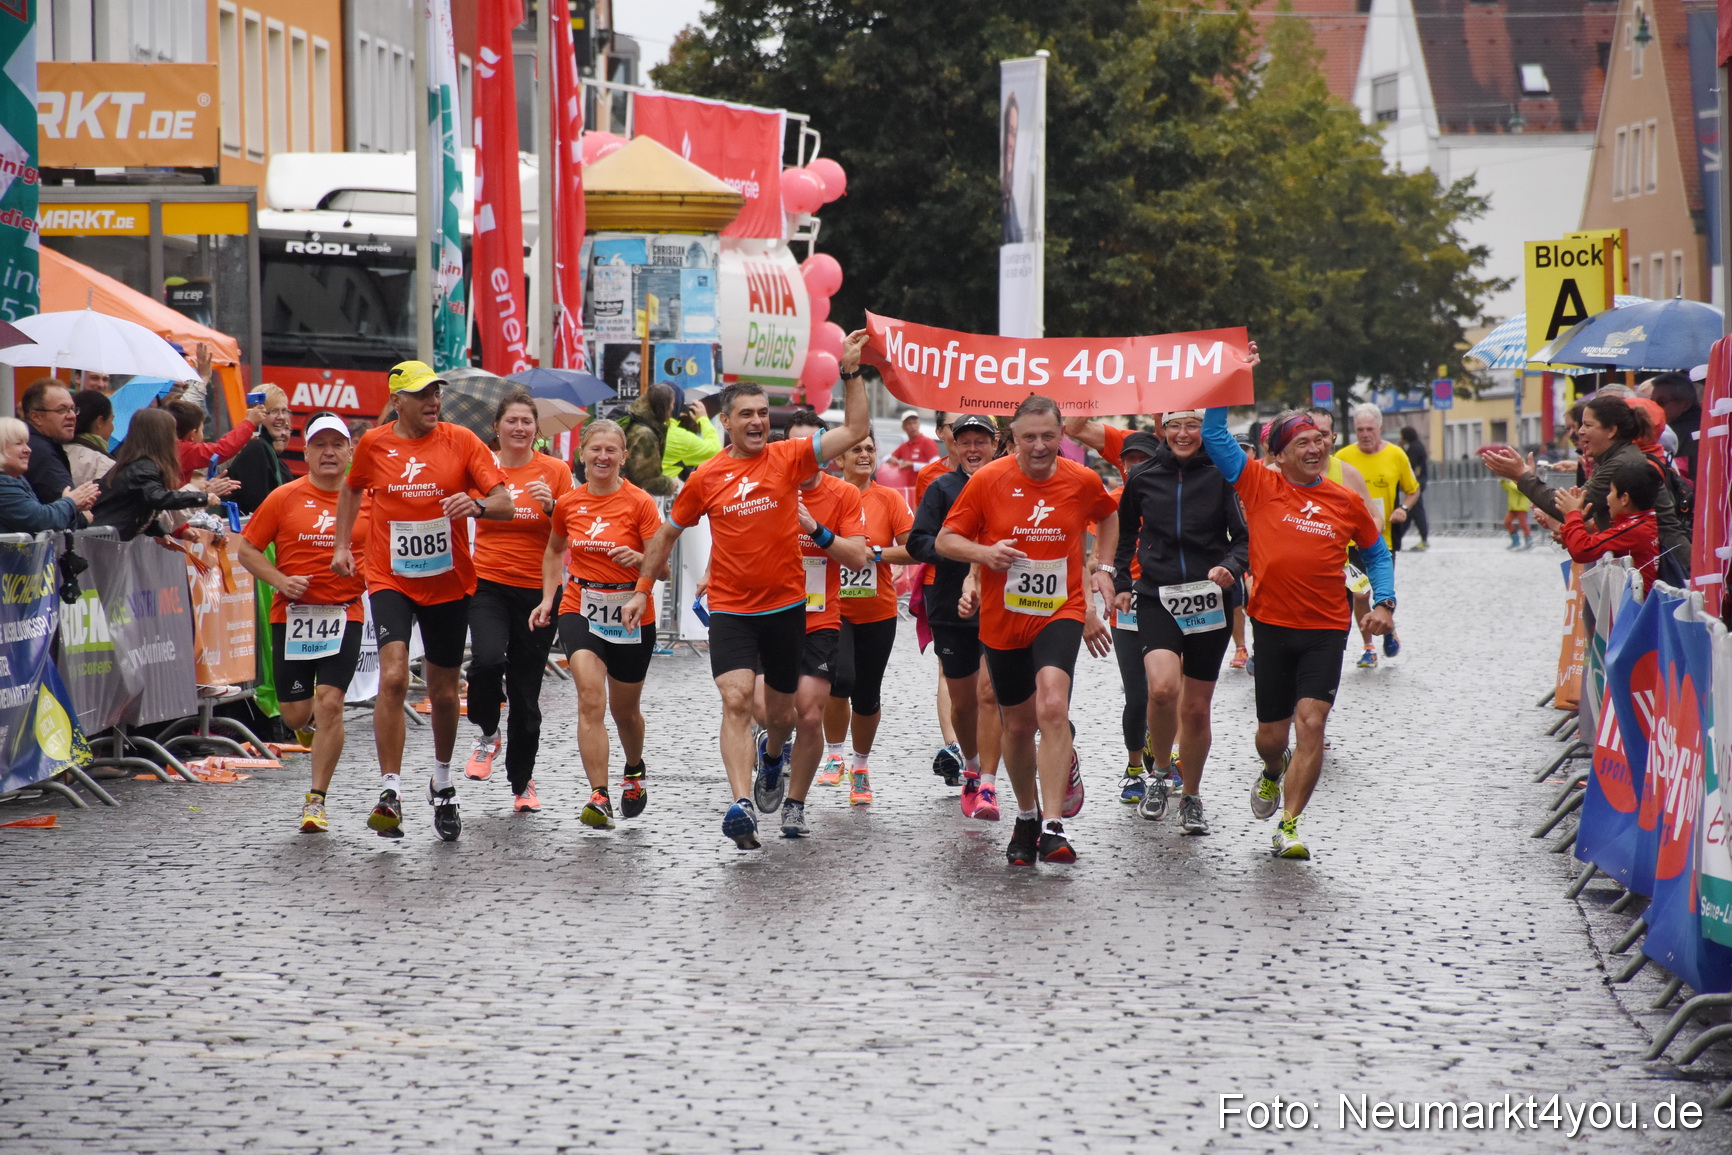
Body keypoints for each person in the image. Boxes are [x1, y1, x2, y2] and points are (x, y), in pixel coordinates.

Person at [629, 331, 872, 850]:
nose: (758, 421)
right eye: (747, 414)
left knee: (783, 716)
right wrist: (641, 588)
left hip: (787, 610)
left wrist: (851, 372)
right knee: (736, 700)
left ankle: (771, 760)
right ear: (726, 422)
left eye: (763, 413)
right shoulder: (707, 476)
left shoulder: (789, 458)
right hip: (733, 610)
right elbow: (667, 532)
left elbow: (855, 428)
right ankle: (741, 803)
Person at [1200, 407, 1395, 860]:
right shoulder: (1258, 485)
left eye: (1319, 441)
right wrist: (1233, 376)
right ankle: (1273, 769)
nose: (1315, 448)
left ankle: (1289, 825)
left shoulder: (1345, 501)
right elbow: (1213, 433)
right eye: (1302, 444)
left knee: (1312, 723)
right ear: (1278, 455)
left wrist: (1384, 602)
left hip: (1325, 629)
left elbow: (1378, 554)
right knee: (1272, 736)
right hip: (1271, 626)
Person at [331, 360, 512, 843]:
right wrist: (343, 545)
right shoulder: (374, 443)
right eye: (422, 394)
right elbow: (351, 490)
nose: (433, 400)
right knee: (392, 676)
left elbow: (505, 502)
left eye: (436, 391)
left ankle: (444, 780)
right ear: (398, 401)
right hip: (390, 575)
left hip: (448, 583)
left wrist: (474, 504)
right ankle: (390, 788)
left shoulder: (462, 441)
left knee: (445, 694)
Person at [937, 395, 1119, 865]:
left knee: (1053, 705)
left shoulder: (1081, 480)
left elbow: (1108, 514)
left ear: (1062, 436)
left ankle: (1054, 826)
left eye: (1049, 436)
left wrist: (1105, 566)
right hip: (1003, 620)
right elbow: (946, 539)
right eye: (1029, 437)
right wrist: (984, 555)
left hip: (1060, 610)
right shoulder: (987, 480)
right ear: (1012, 438)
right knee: (1017, 725)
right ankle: (1026, 816)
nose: (1039, 446)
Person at [1111, 413, 1248, 833]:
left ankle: (1191, 796)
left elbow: (1243, 538)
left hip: (1210, 599)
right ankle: (1158, 775)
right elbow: (1124, 534)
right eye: (1176, 426)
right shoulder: (1143, 476)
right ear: (1163, 431)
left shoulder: (1221, 476)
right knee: (1163, 688)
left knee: (1195, 706)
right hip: (1156, 596)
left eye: (1192, 425)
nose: (1184, 434)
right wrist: (1120, 582)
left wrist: (1230, 565)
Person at [237, 414, 368, 834]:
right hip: (291, 617)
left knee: (330, 701)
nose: (329, 452)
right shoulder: (284, 497)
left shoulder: (369, 499)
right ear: (306, 452)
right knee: (295, 716)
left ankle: (316, 800)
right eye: (320, 445)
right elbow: (247, 549)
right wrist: (280, 580)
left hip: (345, 611)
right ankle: (307, 727)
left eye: (337, 444)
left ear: (350, 452)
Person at [533, 419, 663, 830]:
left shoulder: (640, 502)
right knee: (591, 698)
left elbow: (663, 569)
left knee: (626, 712)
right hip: (581, 605)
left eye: (611, 450)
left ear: (624, 457)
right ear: (583, 454)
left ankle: (634, 769)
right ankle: (599, 794)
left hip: (631, 611)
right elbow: (554, 551)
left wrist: (640, 560)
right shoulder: (569, 503)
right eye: (596, 450)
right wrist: (548, 598)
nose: (603, 457)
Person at [461, 390, 573, 812]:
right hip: (488, 583)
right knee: (487, 661)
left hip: (539, 593)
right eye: (512, 421)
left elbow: (573, 531)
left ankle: (522, 782)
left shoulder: (556, 470)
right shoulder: (482, 468)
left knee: (527, 696)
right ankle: (487, 733)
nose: (520, 428)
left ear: (536, 429)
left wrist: (553, 509)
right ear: (497, 427)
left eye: (528, 421)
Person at [763, 410, 869, 835]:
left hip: (819, 618)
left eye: (815, 445)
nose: (806, 454)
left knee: (808, 716)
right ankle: (771, 754)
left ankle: (795, 804)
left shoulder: (844, 494)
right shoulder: (766, 488)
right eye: (797, 446)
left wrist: (816, 530)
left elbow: (857, 556)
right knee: (768, 711)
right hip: (767, 614)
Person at [908, 414, 1006, 818]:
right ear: (952, 443)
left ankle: (988, 783)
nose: (972, 449)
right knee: (964, 702)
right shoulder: (942, 488)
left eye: (980, 441)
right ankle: (969, 764)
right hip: (950, 604)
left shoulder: (1009, 485)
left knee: (989, 693)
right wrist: (960, 550)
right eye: (964, 440)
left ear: (995, 443)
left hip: (1002, 606)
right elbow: (918, 541)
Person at [1482, 394, 1688, 577]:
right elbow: (1577, 510)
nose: (1579, 432)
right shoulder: (1612, 457)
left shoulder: (1620, 461)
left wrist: (1522, 477)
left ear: (1611, 430)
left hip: (1668, 565)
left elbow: (1578, 508)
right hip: (1655, 562)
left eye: (1588, 426)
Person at [818, 432, 914, 803]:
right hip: (833, 609)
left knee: (867, 695)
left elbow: (914, 548)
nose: (865, 454)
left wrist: (872, 553)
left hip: (878, 611)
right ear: (838, 460)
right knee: (840, 679)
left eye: (870, 449)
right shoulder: (826, 498)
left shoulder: (888, 499)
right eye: (856, 449)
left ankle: (861, 768)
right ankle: (835, 755)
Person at [1089, 430, 1159, 803]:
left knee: (1168, 692)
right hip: (1127, 607)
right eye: (1128, 460)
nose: (1133, 467)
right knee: (1138, 694)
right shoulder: (1112, 500)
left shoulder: (1168, 496)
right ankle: (1134, 769)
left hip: (1168, 603)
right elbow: (1095, 552)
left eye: (1142, 460)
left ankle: (1166, 759)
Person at [1334, 405, 1418, 666]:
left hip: (1383, 541)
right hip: (1349, 541)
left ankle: (1388, 626)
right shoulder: (1343, 456)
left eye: (1370, 429)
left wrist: (1403, 509)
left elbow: (1413, 490)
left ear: (1380, 428)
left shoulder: (1396, 455)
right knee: (1360, 594)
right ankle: (1368, 647)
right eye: (1359, 430)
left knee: (1382, 591)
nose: (1365, 434)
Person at [88, 409, 237, 540]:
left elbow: (136, 508)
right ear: (161, 437)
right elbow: (157, 497)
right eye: (172, 433)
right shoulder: (143, 467)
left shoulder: (139, 465)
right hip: (102, 543)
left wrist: (160, 531)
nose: (175, 440)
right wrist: (202, 497)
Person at [1555, 460, 1660, 590]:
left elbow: (1582, 550)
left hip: (1635, 608)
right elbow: (1590, 543)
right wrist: (1569, 523)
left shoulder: (1635, 529)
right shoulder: (1640, 523)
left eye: (1610, 491)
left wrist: (1573, 514)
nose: (1607, 498)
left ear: (1624, 498)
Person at [0, 417, 92, 532]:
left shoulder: (15, 479)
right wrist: (71, 502)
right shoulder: (3, 484)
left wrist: (71, 506)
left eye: (26, 443)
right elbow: (39, 519)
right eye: (19, 443)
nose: (28, 449)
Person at [224, 384, 294, 514]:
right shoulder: (256, 448)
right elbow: (258, 506)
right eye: (273, 411)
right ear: (256, 413)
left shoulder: (267, 450)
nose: (281, 417)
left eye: (284, 411)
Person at [167, 397, 263, 477]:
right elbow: (221, 450)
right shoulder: (182, 449)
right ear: (192, 434)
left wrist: (240, 442)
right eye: (202, 430)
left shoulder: (168, 446)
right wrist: (250, 422)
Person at [20, 379, 78, 507]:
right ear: (36, 417)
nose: (72, 415)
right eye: (62, 410)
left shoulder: (31, 443)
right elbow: (69, 507)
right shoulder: (39, 451)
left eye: (73, 409)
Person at [621, 383, 679, 496]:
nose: (673, 408)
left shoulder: (634, 417)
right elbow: (649, 480)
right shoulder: (646, 435)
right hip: (622, 495)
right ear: (664, 406)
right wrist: (670, 484)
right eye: (672, 404)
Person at [1647, 372, 1700, 482]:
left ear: (1686, 404)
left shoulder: (1691, 432)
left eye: (1661, 402)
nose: (1654, 407)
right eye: (1651, 402)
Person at [662, 394, 721, 479]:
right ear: (682, 414)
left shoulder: (647, 425)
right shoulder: (682, 439)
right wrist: (703, 419)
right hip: (658, 489)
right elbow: (715, 450)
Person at [67, 390, 116, 490]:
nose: (112, 427)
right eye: (111, 420)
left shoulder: (54, 450)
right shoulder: (105, 465)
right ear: (100, 421)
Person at [1394, 427, 1431, 552]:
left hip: (1417, 482)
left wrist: (1401, 449)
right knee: (1407, 511)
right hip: (1418, 481)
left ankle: (1424, 539)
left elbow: (1409, 463)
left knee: (1417, 511)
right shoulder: (1417, 446)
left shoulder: (1415, 448)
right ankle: (1397, 539)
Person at [886, 410, 941, 475]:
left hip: (925, 484)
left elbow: (936, 466)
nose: (913, 426)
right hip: (907, 484)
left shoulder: (927, 442)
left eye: (915, 423)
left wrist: (913, 465)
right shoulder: (905, 446)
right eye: (909, 423)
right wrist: (890, 459)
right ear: (903, 427)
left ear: (919, 424)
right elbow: (886, 458)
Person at [1501, 479, 1532, 549]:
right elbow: (1508, 490)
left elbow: (1520, 490)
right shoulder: (1511, 483)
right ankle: (1515, 541)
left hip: (1521, 506)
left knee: (1523, 524)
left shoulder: (1523, 482)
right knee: (1507, 522)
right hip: (1513, 507)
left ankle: (1528, 540)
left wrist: (1510, 483)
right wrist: (1503, 483)